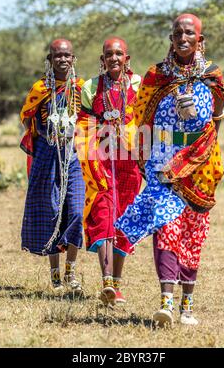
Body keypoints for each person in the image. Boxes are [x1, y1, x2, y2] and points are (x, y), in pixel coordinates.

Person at [115, 14, 224, 325]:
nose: (183, 37)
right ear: (171, 38)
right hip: (163, 161)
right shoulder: (157, 75)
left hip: (199, 163)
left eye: (189, 32)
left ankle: (187, 305)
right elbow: (140, 115)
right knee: (165, 226)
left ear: (199, 39)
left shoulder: (212, 75)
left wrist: (199, 125)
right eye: (177, 32)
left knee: (192, 232)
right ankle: (166, 300)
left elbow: (217, 117)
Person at [75, 37, 142, 305]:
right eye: (109, 54)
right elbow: (83, 126)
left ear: (127, 58)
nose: (114, 58)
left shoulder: (139, 84)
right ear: (102, 59)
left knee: (124, 222)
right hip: (100, 164)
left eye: (119, 53)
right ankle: (107, 283)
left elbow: (147, 117)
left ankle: (118, 283)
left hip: (130, 166)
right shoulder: (91, 88)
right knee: (103, 217)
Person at [20, 38, 85, 293]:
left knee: (77, 210)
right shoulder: (40, 88)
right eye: (57, 55)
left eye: (67, 55)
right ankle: (55, 274)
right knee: (52, 211)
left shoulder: (81, 88)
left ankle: (71, 270)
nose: (63, 60)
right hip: (48, 154)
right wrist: (46, 137)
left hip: (74, 155)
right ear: (50, 60)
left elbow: (90, 117)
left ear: (73, 58)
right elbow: (27, 116)